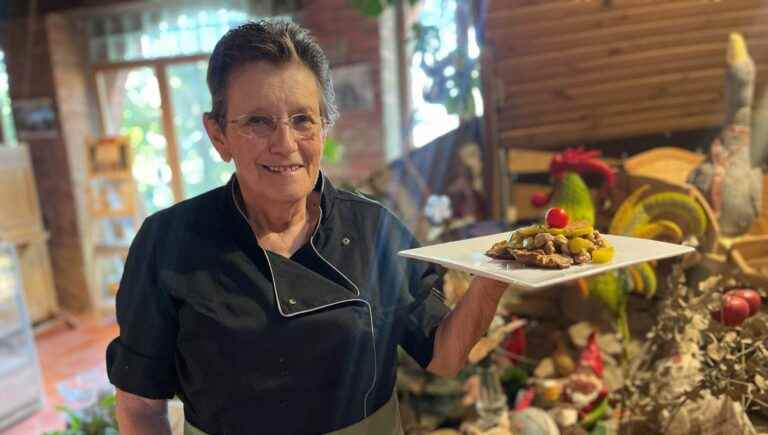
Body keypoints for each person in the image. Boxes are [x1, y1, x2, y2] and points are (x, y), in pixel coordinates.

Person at [107, 19, 509, 435]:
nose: (285, 144)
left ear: (324, 126)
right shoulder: (168, 243)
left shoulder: (374, 230)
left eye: (302, 119)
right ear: (218, 135)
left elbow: (444, 357)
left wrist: (494, 278)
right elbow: (140, 409)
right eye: (258, 122)